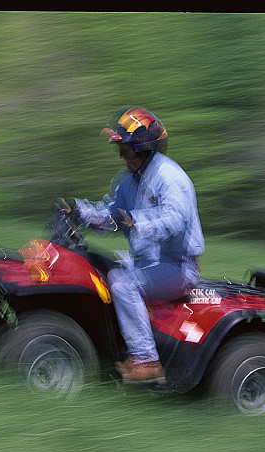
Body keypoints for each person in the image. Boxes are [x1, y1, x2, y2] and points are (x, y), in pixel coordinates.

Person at [73, 106, 205, 384]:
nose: (122, 157)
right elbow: (111, 215)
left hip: (177, 267)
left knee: (123, 283)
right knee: (99, 267)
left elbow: (174, 222)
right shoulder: (128, 181)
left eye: (127, 151)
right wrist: (79, 212)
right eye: (119, 151)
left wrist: (135, 221)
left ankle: (147, 360)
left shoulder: (170, 177)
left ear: (144, 149)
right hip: (149, 263)